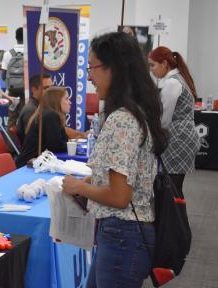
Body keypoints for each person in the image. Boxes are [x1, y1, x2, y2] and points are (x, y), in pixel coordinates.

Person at [62, 32, 169, 287]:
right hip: (124, 235)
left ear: (114, 70)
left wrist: (79, 187)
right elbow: (124, 176)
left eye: (92, 68)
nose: (89, 77)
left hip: (123, 235)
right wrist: (91, 181)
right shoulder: (136, 113)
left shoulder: (122, 119)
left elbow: (119, 196)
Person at [148, 46, 200, 196]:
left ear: (164, 63)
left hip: (178, 140)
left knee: (172, 190)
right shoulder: (179, 79)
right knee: (174, 189)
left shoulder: (172, 83)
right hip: (183, 138)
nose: (151, 70)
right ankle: (175, 219)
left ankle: (174, 219)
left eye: (153, 65)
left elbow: (164, 120)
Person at [15, 86, 68, 168]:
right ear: (57, 101)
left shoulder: (48, 114)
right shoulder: (50, 115)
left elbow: (62, 141)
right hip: (28, 165)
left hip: (34, 162)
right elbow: (56, 146)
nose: (70, 102)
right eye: (66, 99)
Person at [16, 74, 53, 142]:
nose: (50, 91)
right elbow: (34, 139)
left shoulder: (40, 106)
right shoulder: (31, 110)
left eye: (51, 88)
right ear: (34, 89)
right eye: (46, 88)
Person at [1, 27, 25, 129]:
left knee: (12, 119)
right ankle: (24, 144)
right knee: (26, 118)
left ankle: (11, 144)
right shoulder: (30, 53)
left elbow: (3, 75)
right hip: (26, 92)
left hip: (12, 92)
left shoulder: (8, 53)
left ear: (16, 37)